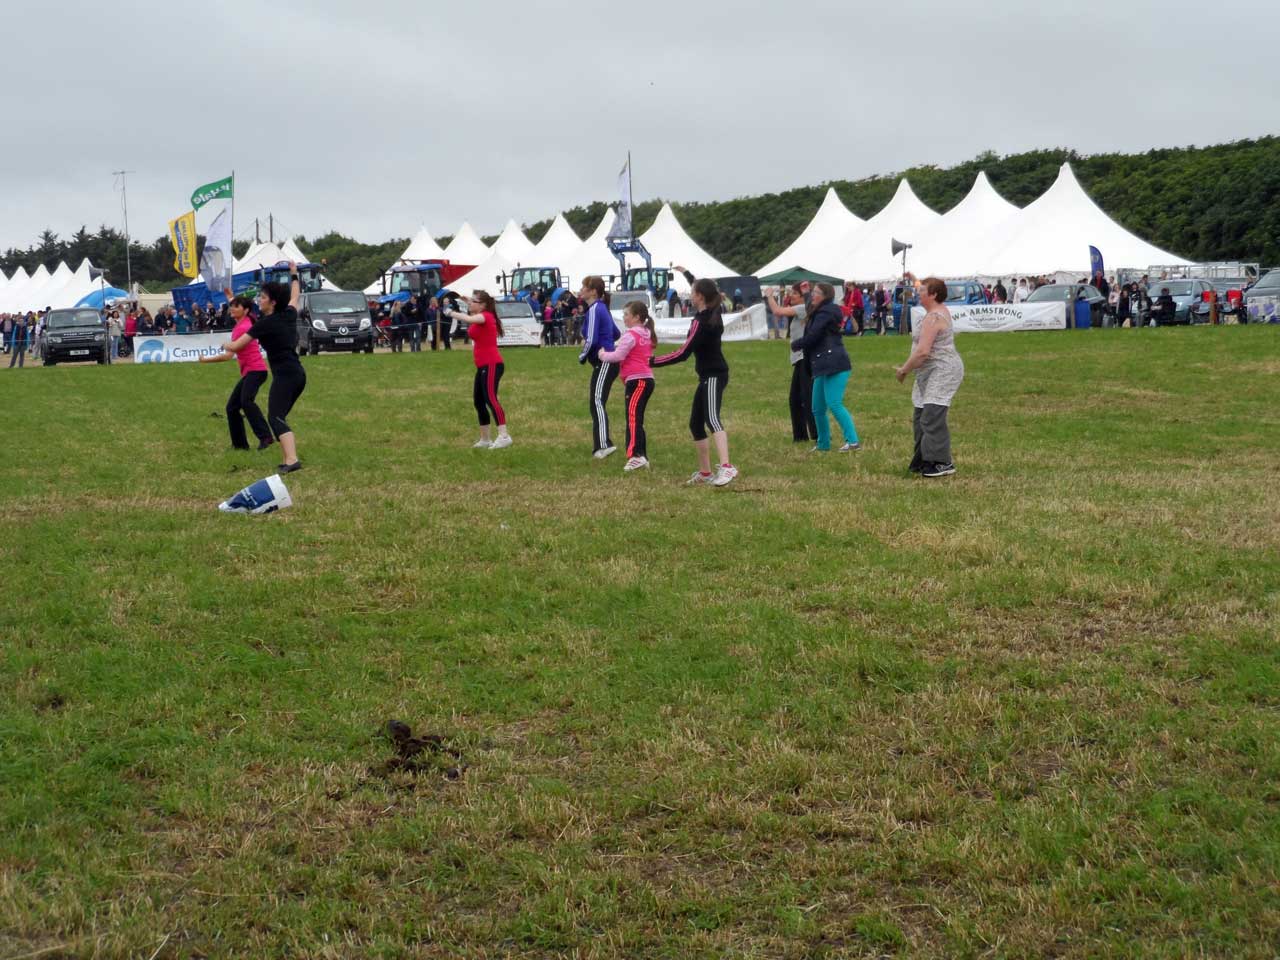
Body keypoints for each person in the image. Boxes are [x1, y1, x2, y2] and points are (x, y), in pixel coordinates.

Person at [219, 261, 306, 473]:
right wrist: (294, 274)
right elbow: (295, 295)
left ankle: (292, 460)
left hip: (285, 375)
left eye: (264, 297)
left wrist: (224, 344)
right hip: (297, 373)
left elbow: (237, 346)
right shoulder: (288, 314)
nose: (260, 300)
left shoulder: (265, 324)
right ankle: (287, 460)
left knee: (275, 417)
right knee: (278, 416)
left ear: (273, 302)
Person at [653, 268, 737, 487]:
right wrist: (688, 274)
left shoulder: (702, 321)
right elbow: (704, 286)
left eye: (692, 290)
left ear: (699, 296)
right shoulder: (709, 314)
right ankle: (706, 472)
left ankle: (727, 467)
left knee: (712, 418)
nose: (690, 293)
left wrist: (652, 362)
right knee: (695, 424)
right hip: (708, 376)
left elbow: (682, 353)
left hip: (713, 375)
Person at [896, 274, 964, 478]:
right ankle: (922, 459)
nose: (918, 294)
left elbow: (923, 351)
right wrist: (914, 278)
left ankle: (942, 462)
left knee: (931, 416)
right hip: (927, 372)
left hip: (943, 370)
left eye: (922, 292)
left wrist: (904, 370)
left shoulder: (934, 317)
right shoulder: (933, 310)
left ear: (933, 295)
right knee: (920, 415)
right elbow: (924, 286)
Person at [198, 293, 274, 452]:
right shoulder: (243, 323)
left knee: (246, 402)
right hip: (250, 372)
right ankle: (240, 446)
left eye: (236, 306)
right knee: (232, 408)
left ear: (245, 311)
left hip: (256, 371)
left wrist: (225, 346)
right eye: (231, 306)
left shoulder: (244, 327)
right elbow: (228, 356)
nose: (232, 308)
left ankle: (265, 437)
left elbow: (231, 350)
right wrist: (230, 295)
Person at [790, 282, 860, 453]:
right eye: (813, 292)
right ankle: (823, 444)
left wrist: (796, 344)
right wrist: (806, 293)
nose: (813, 295)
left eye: (816, 293)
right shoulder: (820, 311)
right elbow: (810, 309)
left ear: (825, 296)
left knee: (834, 403)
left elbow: (814, 335)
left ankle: (853, 442)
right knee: (817, 408)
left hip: (835, 363)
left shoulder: (826, 312)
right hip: (822, 364)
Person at [442, 290, 512, 449]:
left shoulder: (485, 316)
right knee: (479, 401)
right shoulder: (481, 313)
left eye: (474, 301)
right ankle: (485, 439)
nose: (470, 303)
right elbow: (473, 311)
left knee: (491, 399)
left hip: (492, 364)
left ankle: (504, 436)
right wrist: (467, 301)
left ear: (483, 305)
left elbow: (467, 318)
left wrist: (450, 312)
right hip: (482, 366)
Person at [597, 300, 657, 471]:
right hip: (647, 380)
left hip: (637, 381)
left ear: (636, 317)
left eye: (626, 314)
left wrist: (602, 354)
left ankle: (635, 455)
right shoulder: (646, 332)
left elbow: (618, 355)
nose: (624, 318)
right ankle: (642, 455)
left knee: (632, 418)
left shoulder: (631, 335)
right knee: (637, 419)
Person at [766, 284, 817, 443]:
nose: (791, 296)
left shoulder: (803, 308)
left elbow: (777, 311)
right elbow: (779, 314)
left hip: (805, 358)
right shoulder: (799, 311)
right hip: (798, 359)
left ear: (803, 298)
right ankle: (800, 436)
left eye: (795, 293)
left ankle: (817, 435)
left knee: (807, 398)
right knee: (795, 398)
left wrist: (769, 295)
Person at [577, 276, 621, 460]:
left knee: (597, 402)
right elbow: (616, 333)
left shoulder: (595, 309)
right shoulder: (601, 308)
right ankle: (602, 444)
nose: (581, 289)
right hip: (608, 362)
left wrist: (582, 355)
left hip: (604, 363)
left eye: (584, 286)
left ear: (593, 291)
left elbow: (592, 339)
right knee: (597, 401)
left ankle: (603, 445)